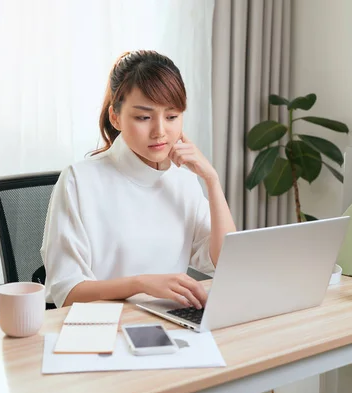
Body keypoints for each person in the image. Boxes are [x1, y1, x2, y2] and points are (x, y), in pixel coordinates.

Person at [40, 50, 236, 309]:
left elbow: (225, 263)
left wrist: (212, 180)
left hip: (168, 325)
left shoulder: (184, 182)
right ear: (115, 117)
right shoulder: (80, 180)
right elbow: (67, 292)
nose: (160, 131)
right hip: (99, 328)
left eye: (172, 117)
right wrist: (141, 284)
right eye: (144, 117)